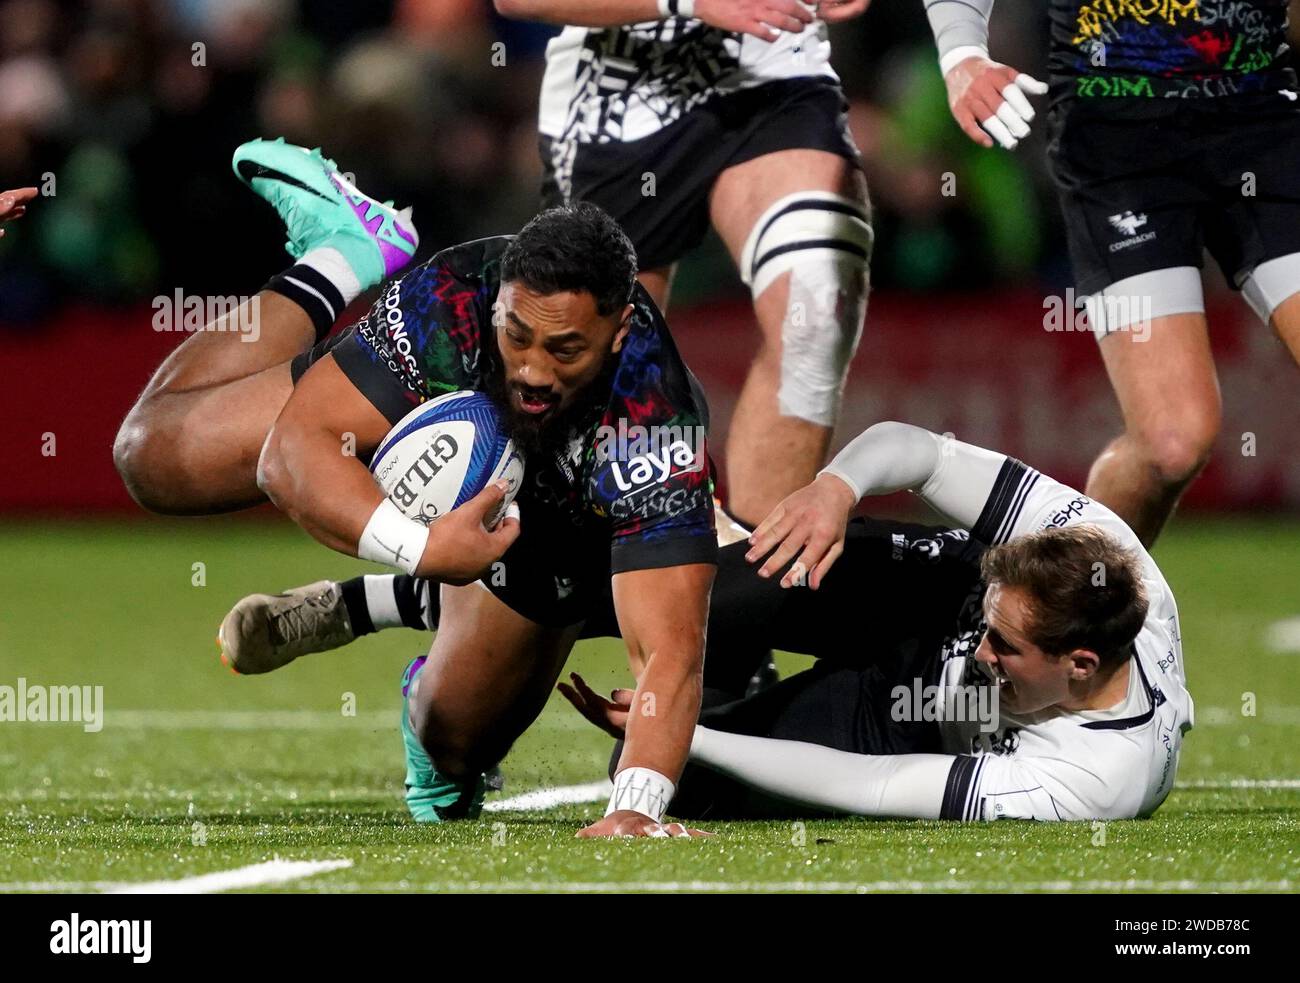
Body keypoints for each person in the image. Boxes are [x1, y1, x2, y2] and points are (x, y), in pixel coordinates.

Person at [113, 139, 717, 838]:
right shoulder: (454, 300)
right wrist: (423, 546)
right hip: (442, 463)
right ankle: (346, 248)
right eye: (517, 337)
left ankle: (389, 606)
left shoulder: (653, 412)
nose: (531, 371)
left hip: (559, 535)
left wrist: (636, 805)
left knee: (455, 747)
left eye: (565, 350)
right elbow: (293, 453)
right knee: (150, 456)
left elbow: (670, 647)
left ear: (615, 338)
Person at [234, 422, 1193, 822]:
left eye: (1005, 649)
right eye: (993, 625)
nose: (984, 653)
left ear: (1078, 665)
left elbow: (877, 782)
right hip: (913, 590)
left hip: (905, 730)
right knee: (694, 591)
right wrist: (832, 489)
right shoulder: (1098, 549)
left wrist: (688, 732)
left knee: (658, 774)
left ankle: (724, 676)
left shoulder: (1095, 779)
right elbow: (918, 448)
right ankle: (364, 605)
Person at [925, 0, 1300, 545]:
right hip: (1116, 142)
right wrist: (961, 51)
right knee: (1171, 444)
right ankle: (1058, 613)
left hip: (1262, 123)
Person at [495, 0, 875, 526]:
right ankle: (427, 588)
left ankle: (751, 580)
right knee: (580, 377)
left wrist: (962, 51)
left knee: (814, 314)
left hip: (771, 78)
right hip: (619, 101)